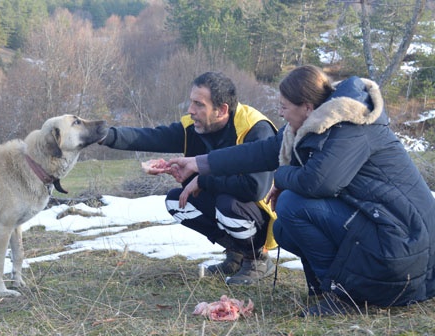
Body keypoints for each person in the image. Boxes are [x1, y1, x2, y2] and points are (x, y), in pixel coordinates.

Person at [168, 65, 435, 316]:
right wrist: (198, 163)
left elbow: (318, 182)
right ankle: (327, 288)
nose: (280, 114)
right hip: (384, 231)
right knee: (284, 228)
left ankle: (345, 296)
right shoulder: (316, 123)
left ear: (307, 107)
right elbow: (262, 151)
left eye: (284, 107)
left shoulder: (351, 127)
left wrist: (281, 178)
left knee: (292, 205)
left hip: (403, 245)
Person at [100, 71, 279, 285]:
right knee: (177, 202)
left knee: (227, 205)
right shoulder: (194, 127)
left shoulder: (254, 128)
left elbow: (255, 188)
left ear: (221, 110)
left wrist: (202, 180)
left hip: (261, 213)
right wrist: (103, 135)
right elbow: (150, 137)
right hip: (231, 205)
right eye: (191, 102)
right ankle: (236, 253)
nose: (190, 110)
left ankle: (257, 257)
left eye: (198, 104)